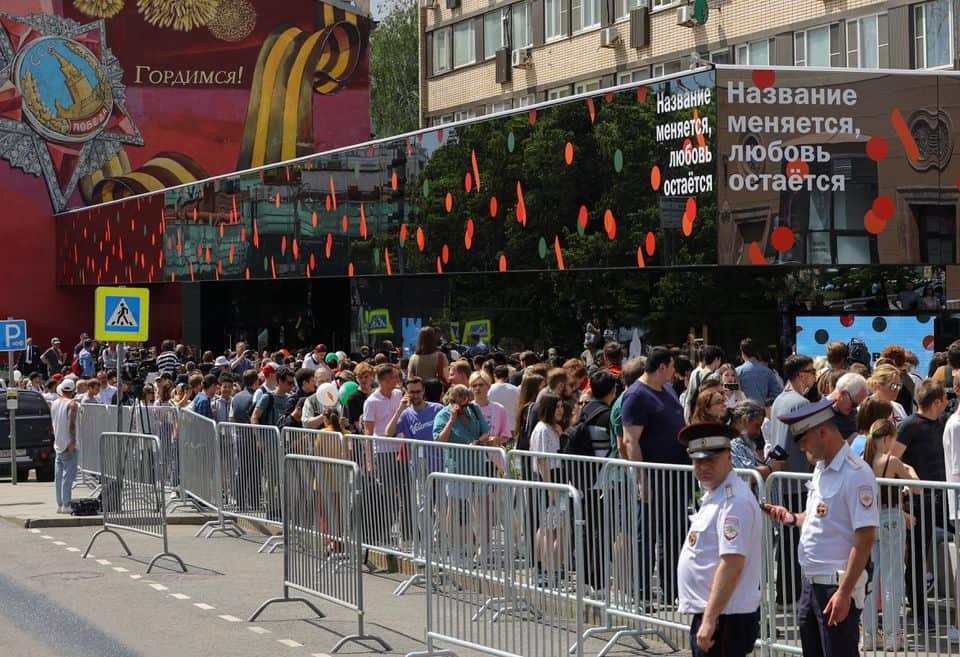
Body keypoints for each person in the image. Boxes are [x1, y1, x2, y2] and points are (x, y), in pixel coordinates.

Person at [764, 397, 878, 657]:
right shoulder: (821, 468)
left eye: (804, 440)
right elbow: (819, 516)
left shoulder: (856, 473)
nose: (802, 447)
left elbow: (865, 538)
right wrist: (792, 517)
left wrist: (844, 592)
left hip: (835, 584)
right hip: (812, 584)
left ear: (823, 432)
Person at [677, 423, 762, 657]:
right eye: (698, 461)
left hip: (725, 617)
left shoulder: (733, 501)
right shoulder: (716, 493)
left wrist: (709, 619)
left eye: (711, 460)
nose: (703, 466)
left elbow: (731, 564)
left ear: (729, 457)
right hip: (716, 614)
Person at [621, 347, 687, 605]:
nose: (674, 372)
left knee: (674, 533)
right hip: (653, 476)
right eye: (672, 367)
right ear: (662, 367)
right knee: (646, 534)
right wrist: (641, 479)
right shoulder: (637, 395)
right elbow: (630, 441)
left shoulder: (668, 390)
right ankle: (643, 592)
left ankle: (672, 590)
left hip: (675, 475)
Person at [888, 378, 949, 627]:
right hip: (918, 500)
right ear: (936, 402)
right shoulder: (910, 425)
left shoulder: (941, 423)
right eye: (944, 400)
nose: (947, 404)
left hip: (941, 496)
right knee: (916, 554)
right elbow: (892, 460)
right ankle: (919, 608)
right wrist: (903, 489)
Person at [861, 418, 919, 651]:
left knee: (870, 581)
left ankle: (869, 635)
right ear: (887, 438)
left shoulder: (863, 461)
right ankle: (893, 635)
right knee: (892, 578)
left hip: (871, 522)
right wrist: (911, 470)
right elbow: (916, 487)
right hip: (890, 520)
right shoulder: (891, 461)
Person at [50, 379, 79, 514]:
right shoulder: (72, 404)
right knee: (68, 476)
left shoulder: (54, 403)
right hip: (68, 444)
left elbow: (54, 423)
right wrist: (72, 442)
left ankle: (60, 504)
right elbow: (71, 425)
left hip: (58, 443)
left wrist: (56, 439)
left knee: (59, 476)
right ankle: (66, 504)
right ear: (73, 391)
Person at [736, 338, 782, 404]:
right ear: (756, 352)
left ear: (742, 353)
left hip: (743, 411)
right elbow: (776, 394)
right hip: (763, 410)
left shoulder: (737, 371)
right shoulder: (768, 371)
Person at [488, 365, 519, 437]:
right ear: (507, 376)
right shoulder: (515, 389)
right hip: (512, 427)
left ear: (494, 375)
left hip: (494, 428)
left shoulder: (488, 389)